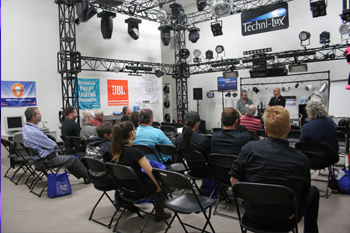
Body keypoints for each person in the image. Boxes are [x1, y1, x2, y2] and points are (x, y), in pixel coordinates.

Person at [229, 106, 319, 233]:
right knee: (313, 192)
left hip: (253, 215)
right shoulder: (302, 159)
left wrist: (244, 198)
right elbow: (304, 194)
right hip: (286, 220)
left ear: (265, 130)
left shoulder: (248, 149)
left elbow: (234, 179)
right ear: (288, 129)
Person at [111, 121, 172, 222]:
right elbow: (152, 173)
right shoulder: (135, 152)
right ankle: (159, 213)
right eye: (134, 129)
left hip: (123, 191)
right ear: (132, 133)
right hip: (138, 191)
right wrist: (158, 186)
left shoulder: (115, 150)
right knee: (164, 184)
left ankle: (128, 205)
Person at [22, 107, 90, 184]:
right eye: (38, 114)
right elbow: (52, 145)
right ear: (33, 117)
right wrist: (45, 146)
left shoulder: (26, 129)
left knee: (68, 160)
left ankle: (84, 176)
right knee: (72, 159)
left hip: (37, 160)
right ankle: (88, 176)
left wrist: (43, 146)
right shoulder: (34, 132)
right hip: (47, 160)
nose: (40, 115)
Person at [299, 100, 339, 168]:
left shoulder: (307, 127)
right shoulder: (330, 121)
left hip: (315, 160)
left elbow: (300, 146)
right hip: (332, 158)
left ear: (309, 111)